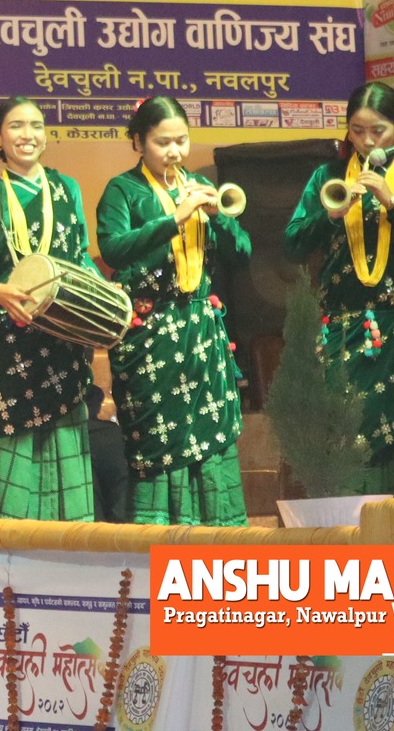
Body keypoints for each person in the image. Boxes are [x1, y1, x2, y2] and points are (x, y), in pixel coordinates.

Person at [284, 82, 394, 499]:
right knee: (348, 446)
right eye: (357, 130)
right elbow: (292, 244)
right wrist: (329, 216)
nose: (366, 141)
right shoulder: (327, 177)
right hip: (346, 334)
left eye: (377, 131)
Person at [95, 96, 250, 525]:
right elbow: (114, 250)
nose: (175, 151)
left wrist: (219, 217)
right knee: (158, 445)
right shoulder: (122, 190)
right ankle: (160, 542)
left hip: (202, 338)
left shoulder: (198, 186)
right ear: (138, 143)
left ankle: (217, 540)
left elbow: (242, 253)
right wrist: (174, 220)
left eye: (181, 140)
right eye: (162, 142)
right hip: (152, 341)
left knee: (212, 442)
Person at [0, 96, 97, 521]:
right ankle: (7, 550)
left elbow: (80, 256)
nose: (27, 135)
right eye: (16, 126)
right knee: (12, 456)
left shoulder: (67, 189)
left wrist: (104, 291)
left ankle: (67, 546)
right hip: (7, 349)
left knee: (64, 450)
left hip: (62, 341)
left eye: (36, 125)